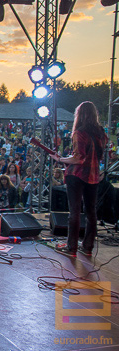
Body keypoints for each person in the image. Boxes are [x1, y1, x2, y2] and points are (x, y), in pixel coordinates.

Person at [51, 101, 107, 257]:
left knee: (74, 212)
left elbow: (78, 159)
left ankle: (72, 248)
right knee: (91, 212)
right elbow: (98, 155)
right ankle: (88, 247)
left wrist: (60, 159)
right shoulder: (101, 133)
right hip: (94, 176)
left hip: (76, 175)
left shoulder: (79, 133)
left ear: (79, 115)